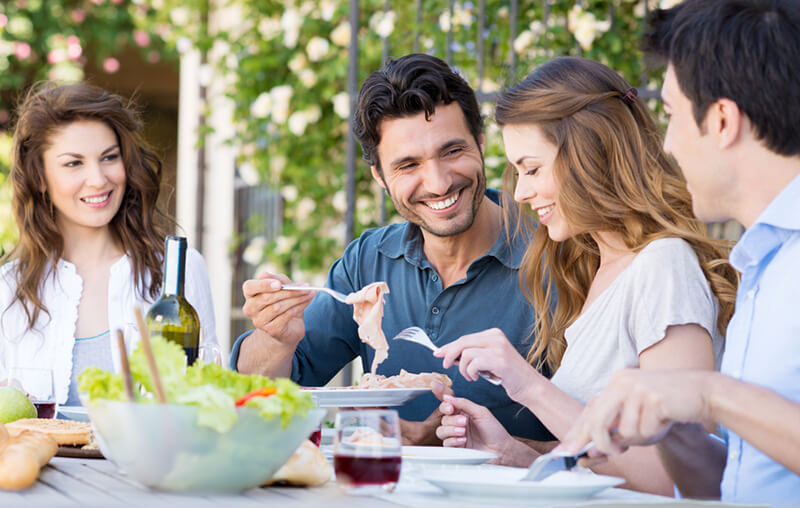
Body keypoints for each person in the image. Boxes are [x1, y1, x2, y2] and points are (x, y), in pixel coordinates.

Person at [432, 56, 738, 495]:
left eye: (532, 169)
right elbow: (607, 471)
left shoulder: (664, 264)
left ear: (590, 152)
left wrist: (529, 386)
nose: (519, 192)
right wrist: (513, 452)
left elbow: (678, 482)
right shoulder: (596, 269)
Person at [232, 53, 554, 445]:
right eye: (408, 165)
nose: (437, 183)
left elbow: (607, 445)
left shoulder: (557, 253)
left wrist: (498, 447)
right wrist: (274, 339)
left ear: (481, 144)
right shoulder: (367, 263)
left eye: (452, 151)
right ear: (380, 177)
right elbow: (251, 398)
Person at [558, 0, 800, 503]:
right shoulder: (766, 265)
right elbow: (735, 484)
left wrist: (710, 394)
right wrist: (676, 430)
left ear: (721, 120)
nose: (666, 146)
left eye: (670, 113)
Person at [0, 82, 217, 406]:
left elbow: (210, 394)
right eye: (74, 163)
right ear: (40, 177)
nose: (99, 179)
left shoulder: (176, 272)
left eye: (109, 158)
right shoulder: (8, 288)